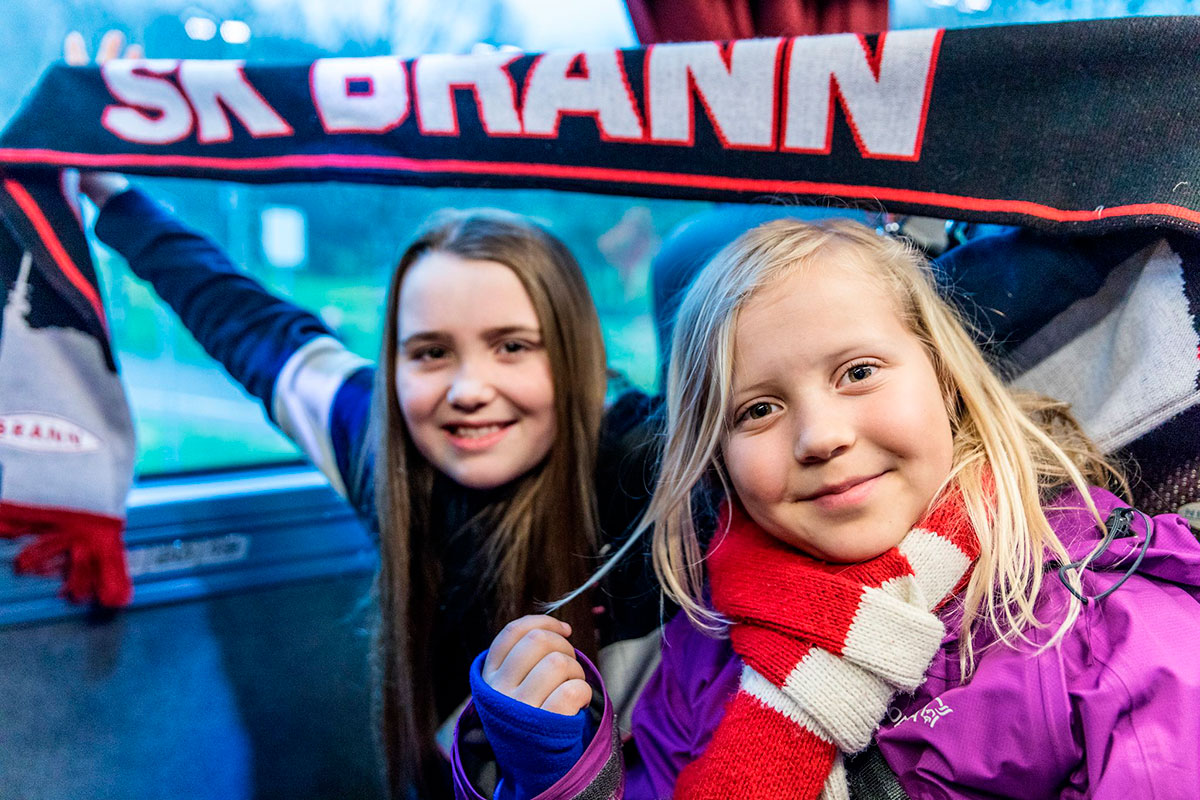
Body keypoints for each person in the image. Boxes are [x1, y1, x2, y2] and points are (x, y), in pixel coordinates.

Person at [458, 218, 1200, 799]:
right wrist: (561, 779)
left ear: (944, 380)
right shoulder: (704, 646)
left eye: (858, 372)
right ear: (716, 458)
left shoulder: (1099, 628)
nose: (820, 437)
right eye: (758, 410)